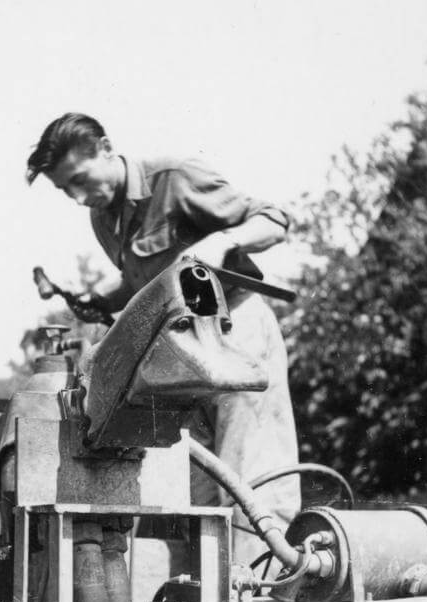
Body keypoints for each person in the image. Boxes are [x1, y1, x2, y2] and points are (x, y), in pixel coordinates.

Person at [26, 112, 300, 564]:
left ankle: (267, 585)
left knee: (253, 476)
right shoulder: (103, 218)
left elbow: (275, 219)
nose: (77, 197)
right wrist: (101, 298)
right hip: (179, 356)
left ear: (106, 149)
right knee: (196, 490)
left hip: (235, 333)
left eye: (79, 180)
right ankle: (216, 595)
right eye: (65, 190)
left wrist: (223, 241)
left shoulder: (173, 178)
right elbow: (150, 281)